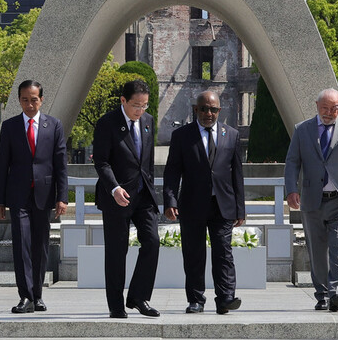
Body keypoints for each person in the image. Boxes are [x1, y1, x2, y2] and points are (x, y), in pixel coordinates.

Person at [285, 88, 338, 312]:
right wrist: (291, 190)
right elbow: (292, 162)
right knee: (316, 249)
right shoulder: (302, 130)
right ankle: (322, 294)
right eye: (325, 108)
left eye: (334, 108)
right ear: (316, 105)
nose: (329, 112)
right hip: (313, 199)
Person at [163, 91, 245, 315]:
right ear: (195, 110)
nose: (209, 113)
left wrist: (240, 208)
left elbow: (237, 174)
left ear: (219, 111)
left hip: (223, 205)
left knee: (223, 252)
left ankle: (226, 298)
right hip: (192, 205)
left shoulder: (232, 135)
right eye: (204, 109)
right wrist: (170, 200)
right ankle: (196, 299)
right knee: (193, 254)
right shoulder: (182, 136)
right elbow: (172, 172)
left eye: (214, 109)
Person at [0, 80, 68, 314]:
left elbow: (60, 165)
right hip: (18, 196)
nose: (29, 104)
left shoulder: (53, 126)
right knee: (22, 246)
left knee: (40, 247)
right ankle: (25, 296)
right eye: (25, 99)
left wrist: (62, 197)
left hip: (44, 195)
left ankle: (38, 295)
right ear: (19, 100)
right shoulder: (10, 127)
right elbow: (1, 165)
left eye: (34, 99)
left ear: (41, 100)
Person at [92, 79, 160, 318]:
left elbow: (148, 161)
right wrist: (114, 188)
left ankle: (139, 297)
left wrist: (150, 189)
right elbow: (101, 161)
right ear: (123, 101)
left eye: (144, 106)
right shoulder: (107, 123)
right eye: (135, 106)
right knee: (117, 251)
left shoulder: (149, 122)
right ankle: (116, 305)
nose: (140, 111)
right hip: (116, 197)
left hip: (143, 196)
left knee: (152, 242)